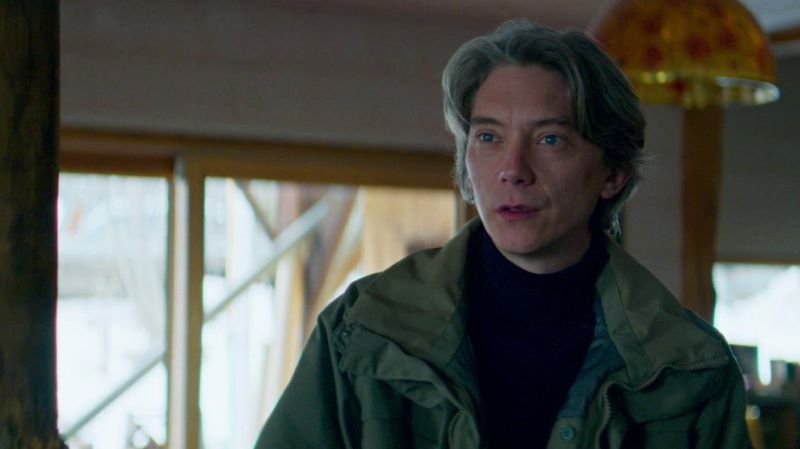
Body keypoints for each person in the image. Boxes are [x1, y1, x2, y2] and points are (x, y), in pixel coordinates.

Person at [254, 19, 751, 449]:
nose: (513, 170)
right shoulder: (363, 329)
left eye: (550, 139)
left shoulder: (687, 366)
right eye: (488, 137)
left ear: (613, 173)